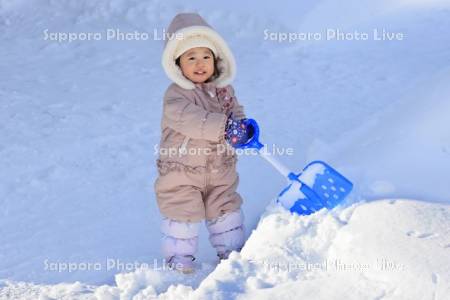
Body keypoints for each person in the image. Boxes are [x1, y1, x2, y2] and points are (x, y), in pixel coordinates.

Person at [154, 12, 253, 273]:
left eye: (206, 56)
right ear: (177, 64)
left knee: (226, 210)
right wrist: (225, 127)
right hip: (182, 172)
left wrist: (243, 127)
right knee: (182, 216)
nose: (200, 64)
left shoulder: (224, 90)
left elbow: (234, 111)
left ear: (216, 59)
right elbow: (191, 119)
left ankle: (231, 254)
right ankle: (179, 261)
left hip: (220, 167)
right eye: (191, 57)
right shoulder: (175, 96)